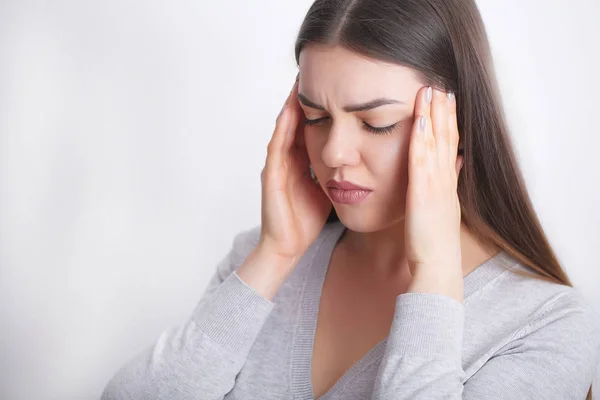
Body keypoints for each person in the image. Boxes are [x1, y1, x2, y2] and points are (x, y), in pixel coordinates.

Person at [100, 0, 600, 399]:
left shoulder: (545, 326)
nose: (334, 153)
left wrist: (434, 274)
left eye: (376, 123)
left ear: (460, 126)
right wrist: (274, 256)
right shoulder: (258, 262)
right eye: (315, 117)